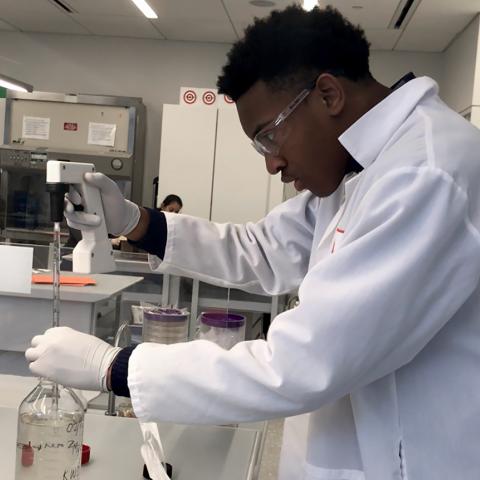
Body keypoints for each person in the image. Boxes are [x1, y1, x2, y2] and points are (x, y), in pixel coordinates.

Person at [25, 6, 480, 479]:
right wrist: (136, 221)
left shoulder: (425, 174)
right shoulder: (359, 170)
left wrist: (113, 366)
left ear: (328, 94)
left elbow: (302, 361)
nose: (272, 164)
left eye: (268, 138)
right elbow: (259, 247)